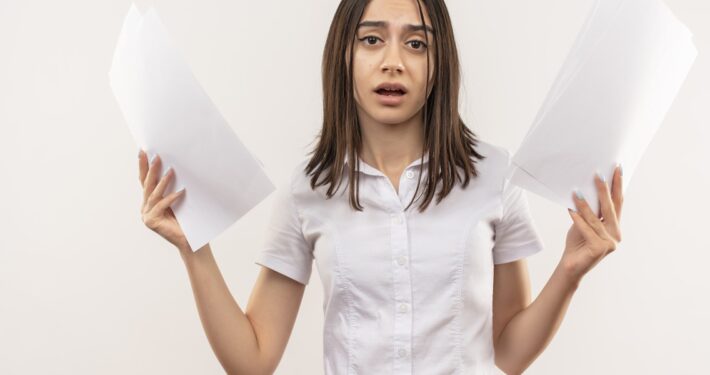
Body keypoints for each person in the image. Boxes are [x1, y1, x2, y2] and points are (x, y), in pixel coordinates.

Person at [136, 0, 624, 373]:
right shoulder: (308, 189)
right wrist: (191, 247)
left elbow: (510, 353)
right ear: (343, 56)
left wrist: (570, 270)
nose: (393, 62)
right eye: (372, 40)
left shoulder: (493, 177)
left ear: (439, 65)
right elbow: (254, 360)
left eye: (416, 43)